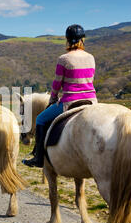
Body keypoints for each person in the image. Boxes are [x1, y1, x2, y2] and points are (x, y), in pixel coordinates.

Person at [22, 24, 98, 168]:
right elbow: (90, 79)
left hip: (70, 102)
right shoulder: (91, 57)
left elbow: (57, 83)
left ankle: (38, 158)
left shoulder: (63, 59)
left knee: (40, 119)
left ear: (67, 40)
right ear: (83, 40)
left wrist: (53, 97)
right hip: (91, 101)